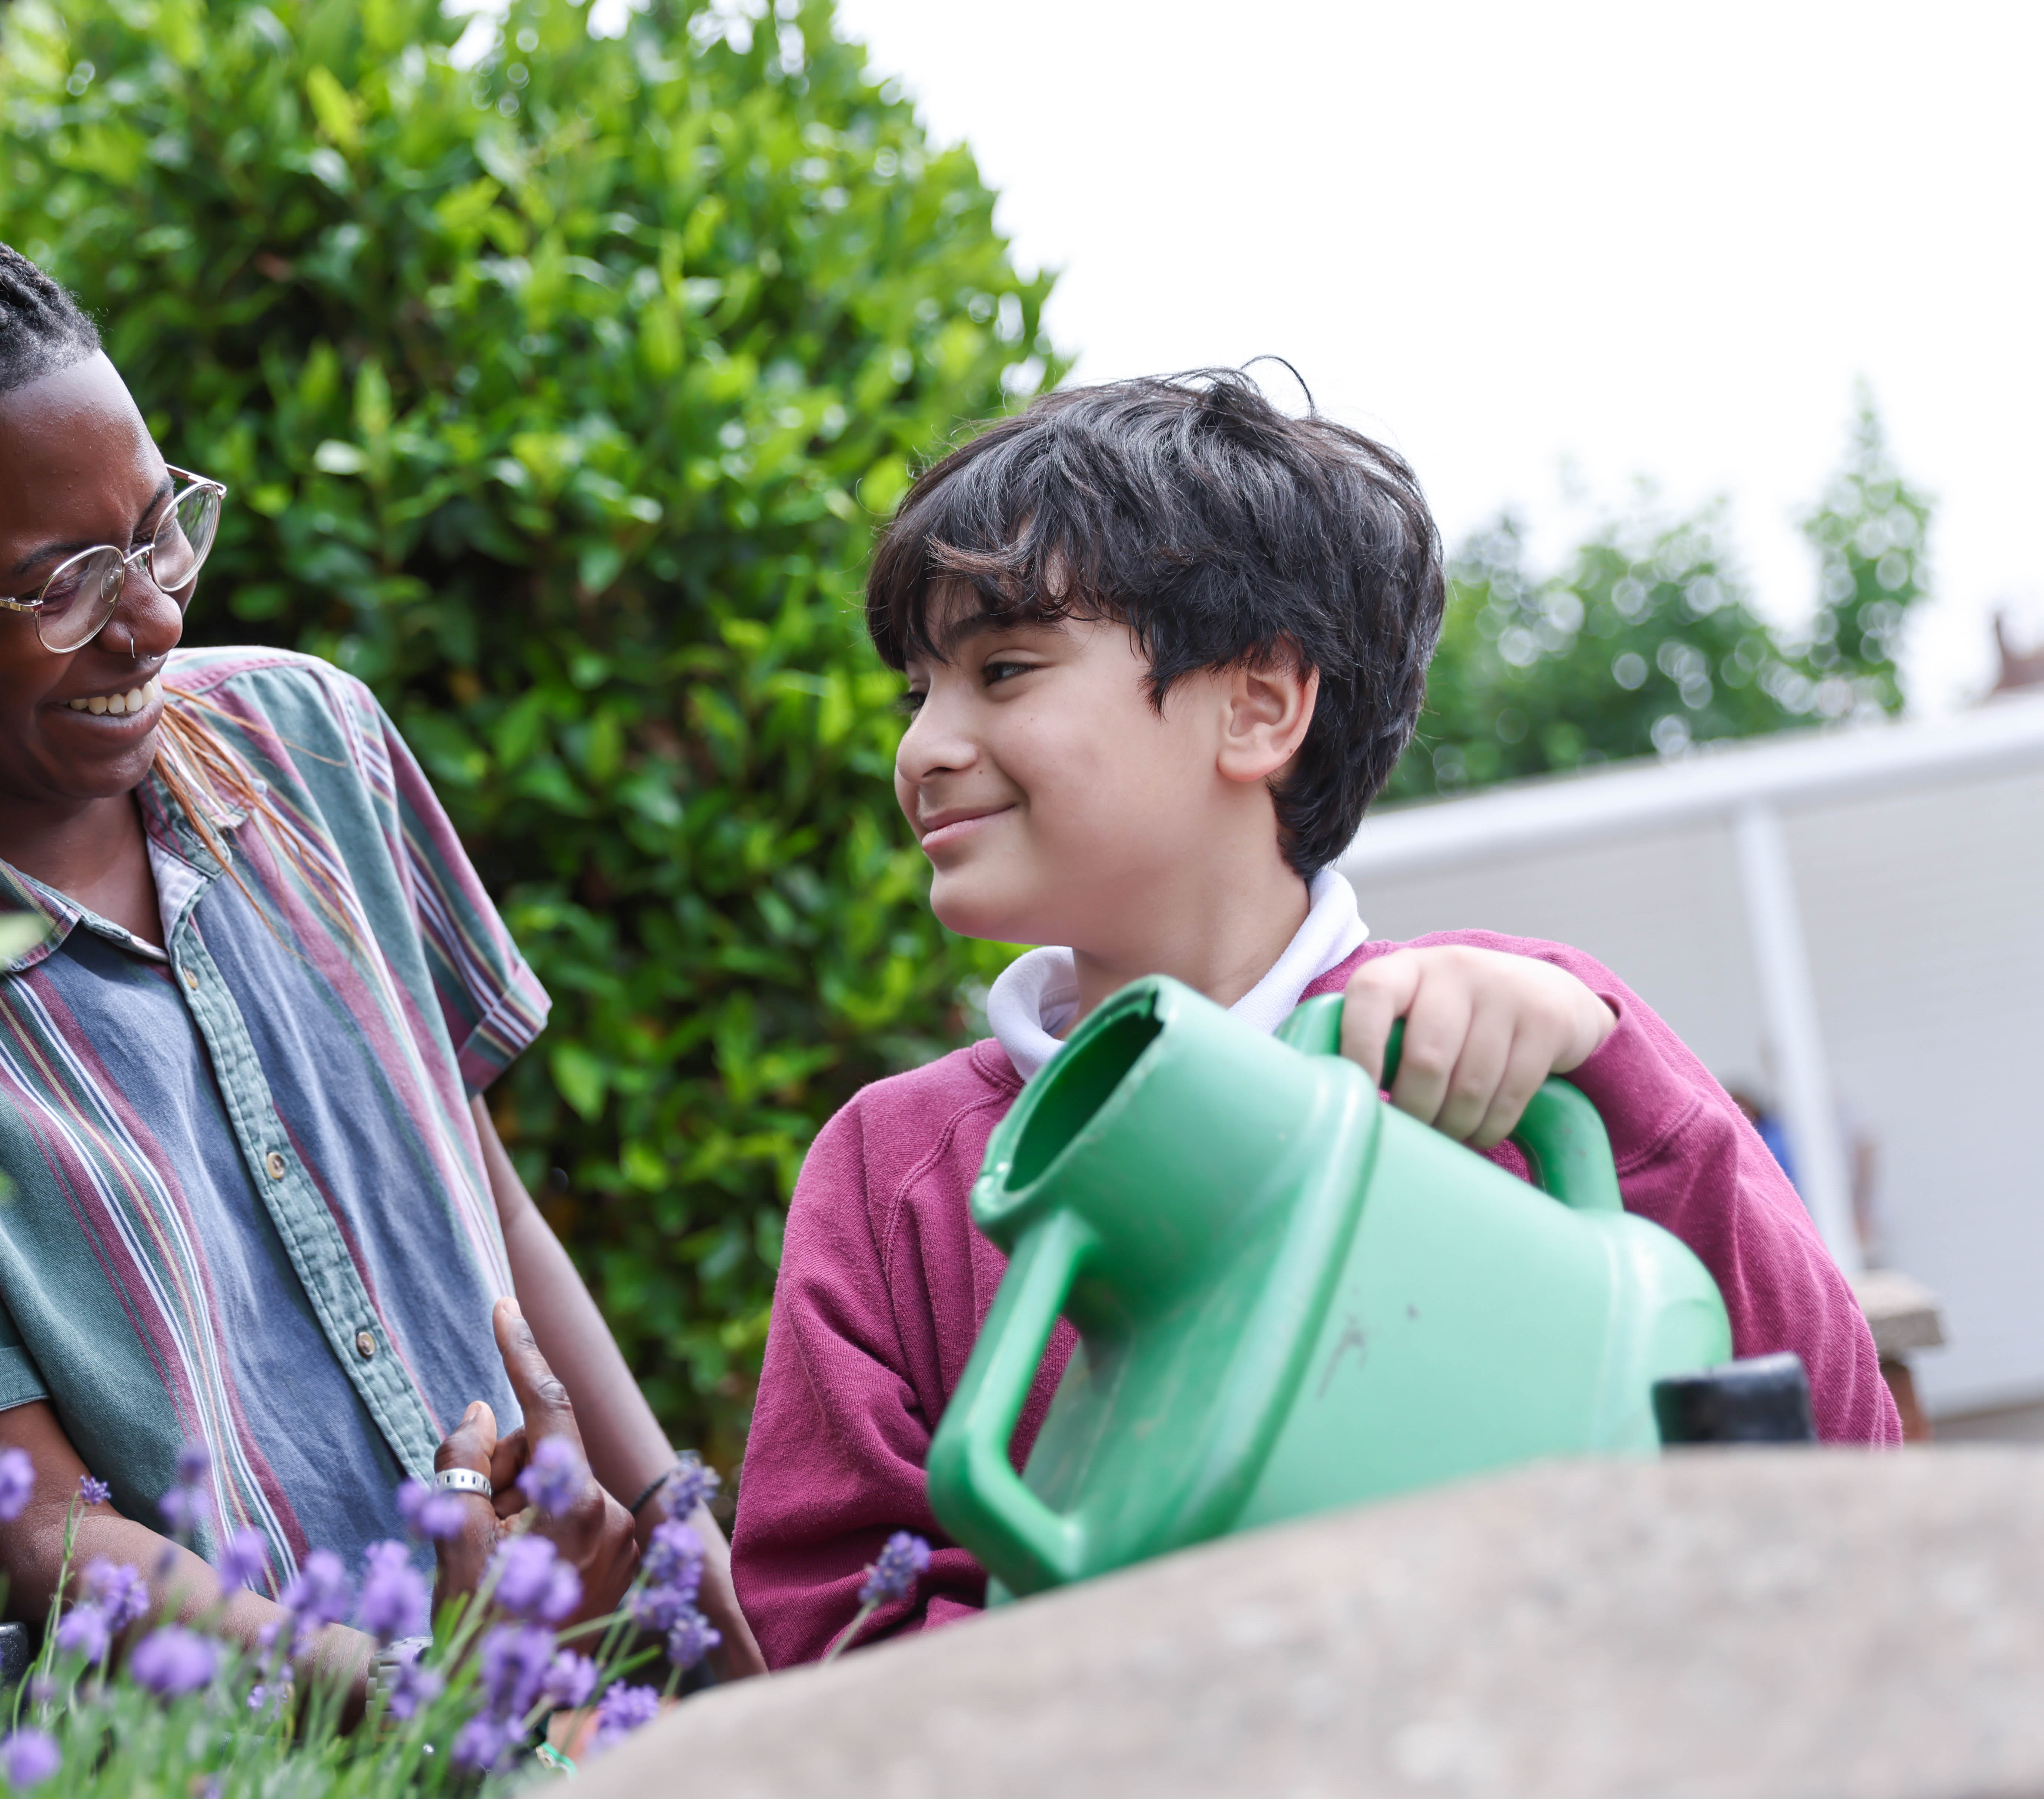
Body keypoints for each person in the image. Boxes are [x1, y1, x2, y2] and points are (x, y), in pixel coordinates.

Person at [0, 161, 760, 1695]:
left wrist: (661, 1525)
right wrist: (400, 1691)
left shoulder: (308, 742)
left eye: (160, 527)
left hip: (512, 1687)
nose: (153, 617)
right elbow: (28, 1526)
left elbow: (476, 1191)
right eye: (64, 585)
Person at [733, 370, 1898, 1669]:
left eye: (1003, 671)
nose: (926, 747)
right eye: (917, 692)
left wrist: (1609, 1065)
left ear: (1262, 704)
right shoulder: (893, 1169)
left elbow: (1833, 1444)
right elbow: (839, 1610)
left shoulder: (1506, 1044)